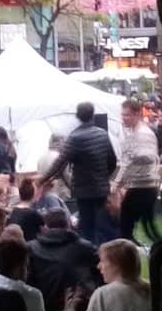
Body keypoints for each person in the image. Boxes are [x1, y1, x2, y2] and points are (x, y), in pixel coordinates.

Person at [40, 102, 116, 246]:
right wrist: (104, 177)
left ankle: (88, 252)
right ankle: (103, 251)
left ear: (78, 116)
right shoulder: (103, 134)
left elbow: (59, 162)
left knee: (86, 224)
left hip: (83, 189)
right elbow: (112, 160)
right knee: (100, 222)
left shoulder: (75, 137)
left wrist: (43, 179)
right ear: (92, 115)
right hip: (101, 188)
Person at [27, 209, 100, 311]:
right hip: (76, 303)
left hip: (42, 302)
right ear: (68, 224)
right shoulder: (84, 247)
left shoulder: (30, 247)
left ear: (44, 227)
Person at [112, 100, 162, 245]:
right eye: (122, 115)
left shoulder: (141, 135)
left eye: (126, 115)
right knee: (146, 228)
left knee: (126, 227)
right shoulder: (139, 132)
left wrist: (117, 183)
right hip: (145, 186)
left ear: (137, 114)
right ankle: (148, 250)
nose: (123, 118)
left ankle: (134, 253)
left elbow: (135, 161)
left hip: (142, 186)